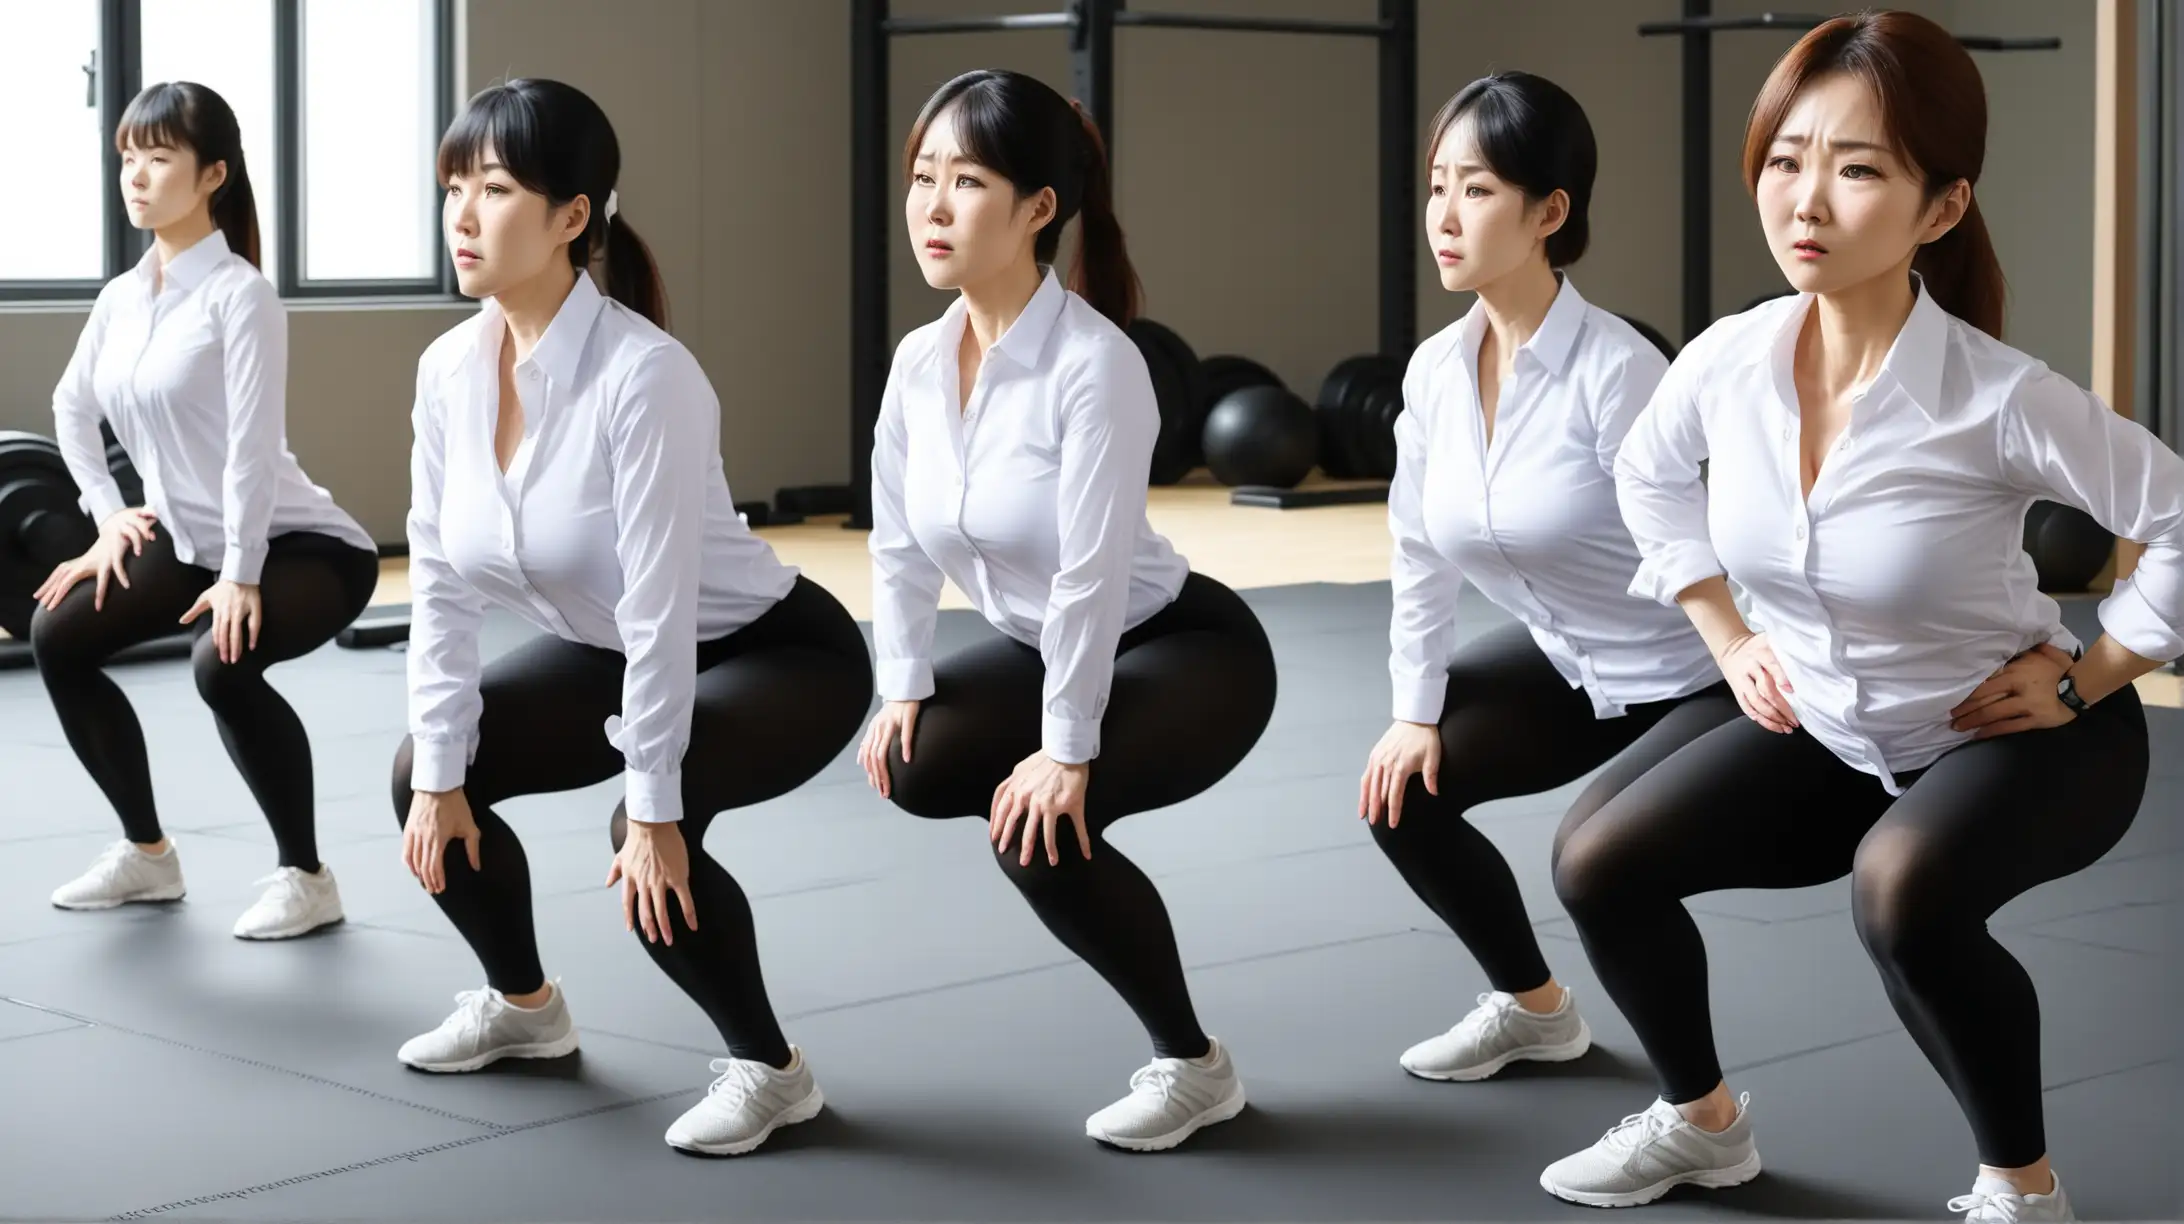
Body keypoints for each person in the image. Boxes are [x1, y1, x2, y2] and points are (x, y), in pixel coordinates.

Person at [1543, 13, 2183, 1218]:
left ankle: (2023, 1190)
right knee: (1595, 859)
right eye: (1787, 160)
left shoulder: (2000, 398)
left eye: (1858, 168)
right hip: (1832, 724)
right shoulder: (1729, 362)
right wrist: (1728, 636)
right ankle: (1702, 1125)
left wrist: (2091, 672)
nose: (1808, 201)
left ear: (1940, 208)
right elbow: (1644, 472)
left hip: (2023, 733)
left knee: (1901, 894)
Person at [389, 79, 873, 1158]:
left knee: (651, 833)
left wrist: (654, 806)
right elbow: (440, 586)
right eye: (452, 187)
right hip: (605, 647)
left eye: (497, 189)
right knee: (427, 772)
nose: (463, 215)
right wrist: (439, 768)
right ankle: (523, 1008)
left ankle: (770, 1071)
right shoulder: (447, 370)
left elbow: (661, 613)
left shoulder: (645, 377)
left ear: (575, 218)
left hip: (773, 652)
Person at [858, 68, 1279, 1152]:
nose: (934, 208)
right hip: (1044, 640)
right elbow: (899, 542)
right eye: (922, 180)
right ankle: (1061, 791)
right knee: (916, 764)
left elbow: (1092, 577)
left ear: (1040, 207)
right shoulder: (917, 363)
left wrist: (1065, 750)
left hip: (1184, 648)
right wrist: (901, 680)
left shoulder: (1098, 365)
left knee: (1038, 831)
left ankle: (1193, 1066)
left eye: (968, 181)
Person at [1364, 72, 1736, 1084]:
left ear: (1549, 212)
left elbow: (1711, 545)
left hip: (1699, 676)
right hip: (1575, 663)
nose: (1443, 216)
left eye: (1476, 190)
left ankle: (1700, 1110)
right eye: (1436, 185)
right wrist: (1415, 708)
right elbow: (1416, 549)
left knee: (1596, 861)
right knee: (1402, 792)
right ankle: (1534, 1011)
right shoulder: (1436, 371)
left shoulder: (1621, 374)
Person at [37, 80, 378, 940]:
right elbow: (71, 407)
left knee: (221, 663)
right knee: (58, 636)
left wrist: (240, 574)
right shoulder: (122, 297)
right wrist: (109, 516)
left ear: (213, 173)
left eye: (159, 158)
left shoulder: (241, 296)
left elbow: (252, 452)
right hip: (190, 537)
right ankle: (148, 855)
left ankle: (306, 876)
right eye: (128, 158)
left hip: (298, 544)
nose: (137, 176)